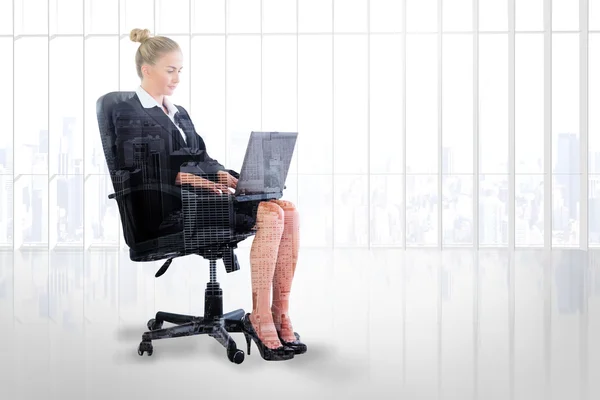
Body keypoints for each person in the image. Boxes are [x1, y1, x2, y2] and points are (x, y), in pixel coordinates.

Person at [112, 28, 305, 361]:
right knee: (270, 214)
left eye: (180, 70)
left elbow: (201, 156)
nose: (176, 77)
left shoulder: (178, 113)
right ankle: (259, 320)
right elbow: (144, 170)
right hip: (168, 208)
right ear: (147, 69)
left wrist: (225, 176)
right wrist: (197, 182)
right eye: (169, 70)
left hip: (203, 200)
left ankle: (279, 314)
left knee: (286, 209)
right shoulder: (129, 113)